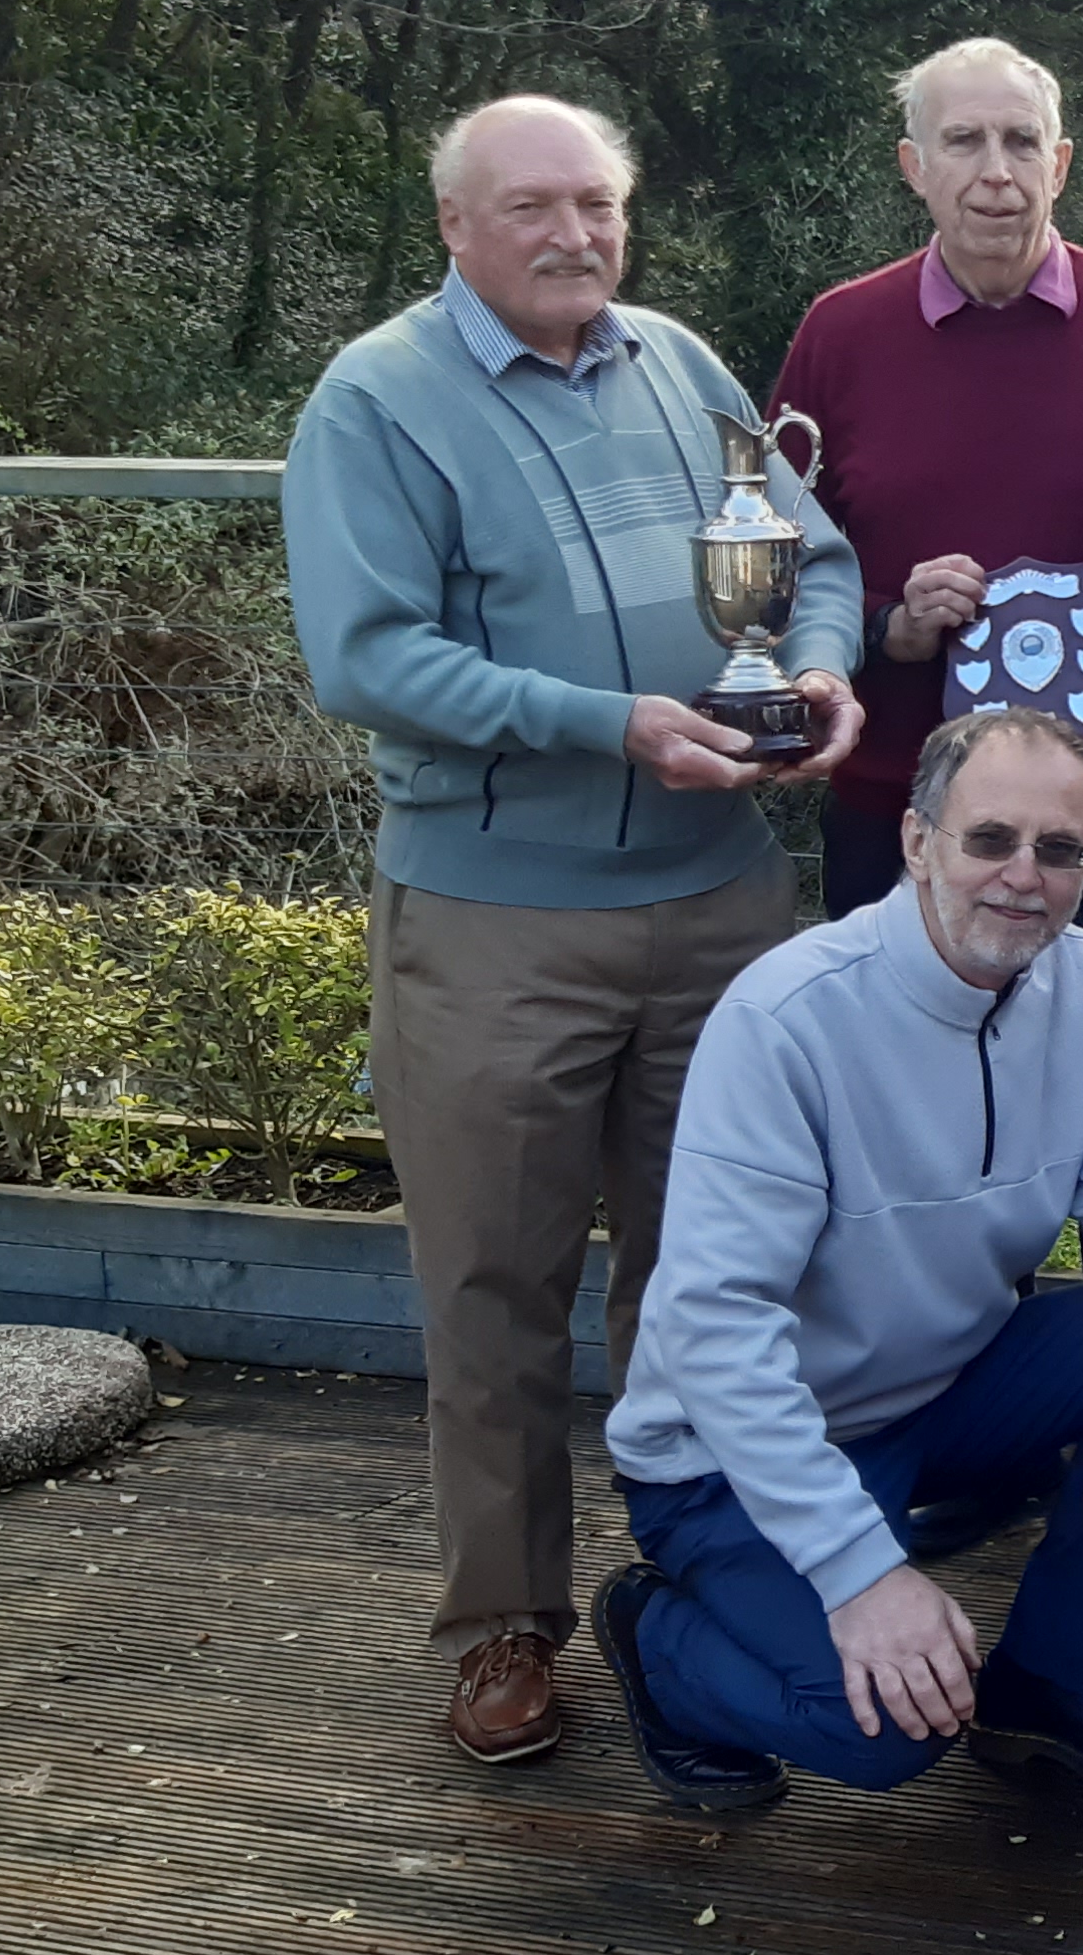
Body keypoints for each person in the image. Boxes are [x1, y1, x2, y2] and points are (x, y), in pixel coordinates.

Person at [281, 94, 861, 1765]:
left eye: (596, 204)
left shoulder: (680, 363)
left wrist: (816, 669)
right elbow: (368, 659)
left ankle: (725, 1594)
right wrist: (611, 721)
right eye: (532, 206)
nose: (572, 235)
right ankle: (502, 1626)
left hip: (719, 907)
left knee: (726, 1282)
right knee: (495, 1288)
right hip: (495, 921)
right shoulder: (378, 401)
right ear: (453, 224)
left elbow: (812, 557)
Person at [594, 710, 1083, 1810]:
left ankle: (1052, 1689)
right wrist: (861, 1574)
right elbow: (719, 1338)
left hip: (941, 1394)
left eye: (1060, 852)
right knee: (883, 1736)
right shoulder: (786, 1022)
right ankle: (657, 1639)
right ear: (915, 842)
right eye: (988, 840)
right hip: (733, 1457)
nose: (1024, 878)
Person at [775, 38, 1083, 1134]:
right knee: (906, 1124)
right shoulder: (841, 335)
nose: (995, 171)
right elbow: (782, 568)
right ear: (912, 165)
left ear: (1060, 164)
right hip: (903, 815)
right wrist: (891, 624)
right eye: (963, 142)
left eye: (1021, 141)